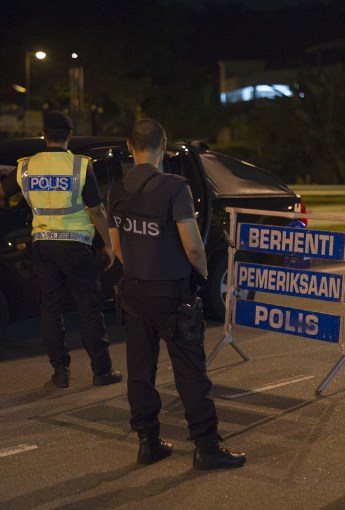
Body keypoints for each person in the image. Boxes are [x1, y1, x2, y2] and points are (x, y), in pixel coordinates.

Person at [107, 118, 246, 470]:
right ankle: (206, 447)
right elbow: (193, 246)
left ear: (129, 146)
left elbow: (116, 247)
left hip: (133, 290)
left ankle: (148, 442)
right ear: (163, 145)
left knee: (140, 369)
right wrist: (199, 277)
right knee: (190, 371)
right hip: (170, 293)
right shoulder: (174, 188)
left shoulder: (117, 188)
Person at [0, 111, 122, 389]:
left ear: (44, 135)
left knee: (50, 310)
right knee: (89, 310)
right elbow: (97, 210)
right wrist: (109, 245)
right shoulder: (80, 166)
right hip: (76, 247)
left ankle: (60, 372)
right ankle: (102, 371)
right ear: (70, 135)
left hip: (43, 247)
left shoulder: (27, 167)